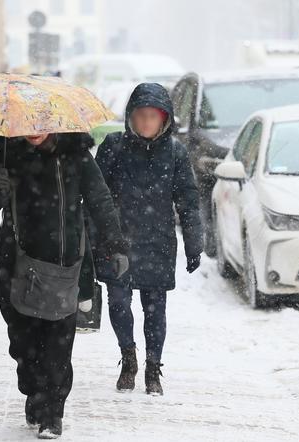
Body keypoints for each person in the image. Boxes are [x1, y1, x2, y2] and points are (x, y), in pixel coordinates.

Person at [0, 132, 128, 439]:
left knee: (57, 344)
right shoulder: (7, 152)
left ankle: (53, 412)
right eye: (28, 122)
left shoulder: (76, 154)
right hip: (17, 265)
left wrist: (115, 244)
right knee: (24, 345)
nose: (34, 128)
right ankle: (32, 388)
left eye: (42, 122)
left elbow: (99, 199)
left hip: (63, 263)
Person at [95, 83, 203, 396]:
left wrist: (194, 245)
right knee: (118, 303)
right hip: (118, 242)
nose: (145, 122)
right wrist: (91, 241)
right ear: (131, 116)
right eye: (140, 115)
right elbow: (95, 196)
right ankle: (129, 357)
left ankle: (153, 367)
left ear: (164, 119)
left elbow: (187, 199)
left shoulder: (176, 152)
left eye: (152, 116)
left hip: (157, 242)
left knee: (155, 310)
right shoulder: (114, 146)